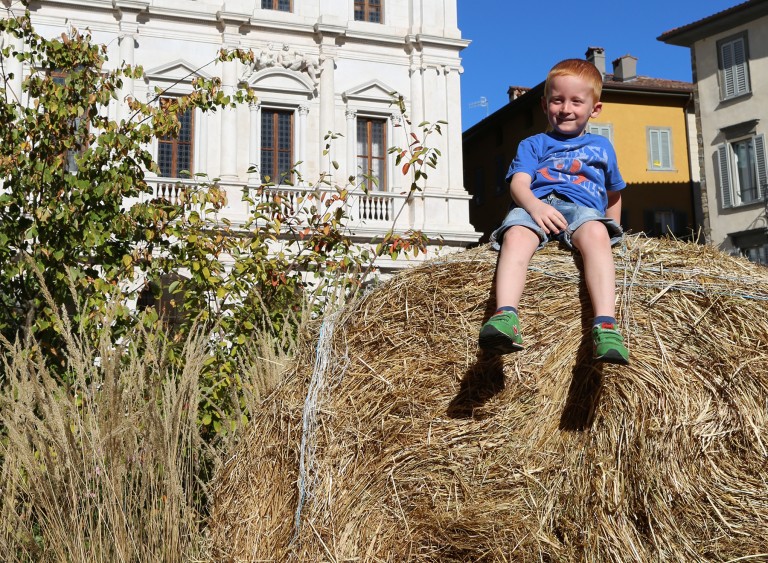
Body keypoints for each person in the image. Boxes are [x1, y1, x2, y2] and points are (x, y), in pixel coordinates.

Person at [478, 58, 629, 365]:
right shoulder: (533, 144)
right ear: (545, 105)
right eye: (557, 100)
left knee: (597, 234)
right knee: (516, 236)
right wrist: (534, 206)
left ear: (594, 109)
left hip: (583, 209)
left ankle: (606, 324)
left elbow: (614, 194)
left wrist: (615, 235)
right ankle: (506, 315)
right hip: (537, 205)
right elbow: (519, 184)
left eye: (576, 101)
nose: (566, 108)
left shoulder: (602, 147)